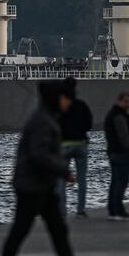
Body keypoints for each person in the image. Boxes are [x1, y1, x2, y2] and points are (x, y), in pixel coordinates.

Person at [0, 81, 105, 256]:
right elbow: (39, 154)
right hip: (32, 188)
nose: (68, 102)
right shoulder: (43, 122)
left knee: (58, 234)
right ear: (57, 98)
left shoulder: (43, 117)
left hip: (40, 187)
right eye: (66, 98)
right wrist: (64, 170)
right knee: (21, 233)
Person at [57, 77, 93, 217]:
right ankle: (80, 210)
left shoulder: (60, 106)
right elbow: (89, 125)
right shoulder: (82, 105)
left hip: (64, 145)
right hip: (81, 144)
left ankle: (62, 211)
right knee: (82, 178)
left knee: (61, 179)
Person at [105, 91, 129, 221]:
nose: (128, 104)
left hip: (114, 152)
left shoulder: (113, 114)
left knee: (115, 181)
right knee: (121, 182)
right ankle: (118, 210)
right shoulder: (118, 116)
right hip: (121, 153)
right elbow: (123, 135)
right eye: (126, 101)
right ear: (119, 101)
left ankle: (113, 210)